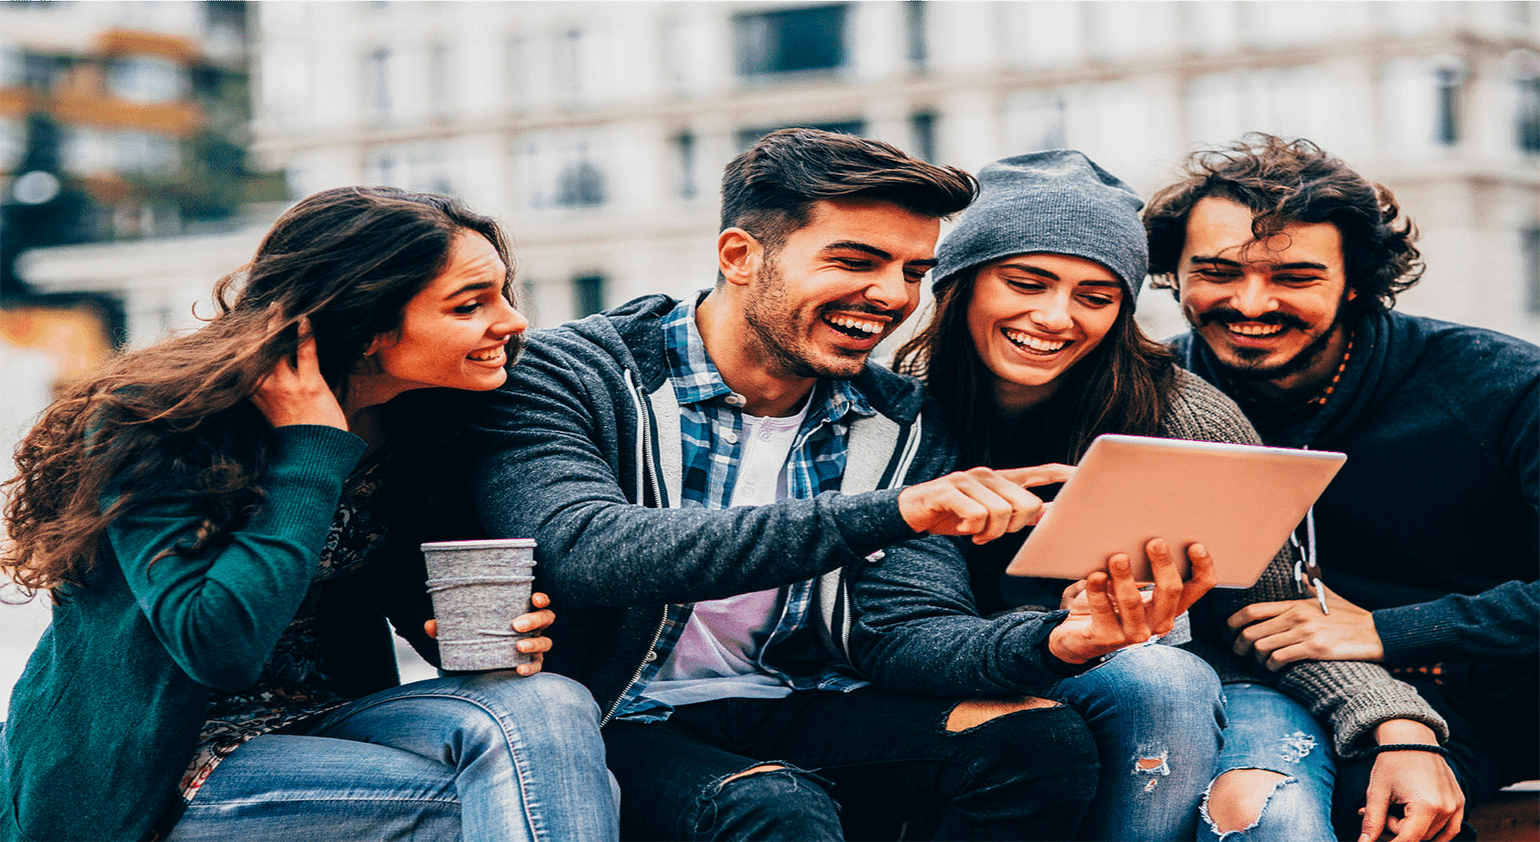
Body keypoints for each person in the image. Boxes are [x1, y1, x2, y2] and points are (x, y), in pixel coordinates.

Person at [470, 128, 1199, 842]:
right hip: (614, 716)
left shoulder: (900, 418)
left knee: (1037, 745)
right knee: (775, 809)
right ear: (739, 256)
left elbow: (903, 630)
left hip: (796, 702)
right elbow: (586, 549)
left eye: (913, 272)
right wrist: (894, 512)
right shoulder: (572, 373)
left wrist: (1060, 640)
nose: (889, 296)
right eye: (857, 261)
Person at [863, 148, 1450, 842]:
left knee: (1274, 818)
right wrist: (1063, 631)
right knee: (1155, 677)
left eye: (1096, 295)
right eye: (1026, 282)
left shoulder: (1181, 413)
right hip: (1012, 682)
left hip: (1223, 683)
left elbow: (1274, 610)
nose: (1056, 317)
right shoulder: (893, 417)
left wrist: (1401, 727)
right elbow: (903, 628)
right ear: (960, 282)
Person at [0, 187, 618, 842]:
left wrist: (436, 621)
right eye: (471, 305)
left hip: (330, 720)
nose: (513, 321)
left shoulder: (421, 415)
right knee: (538, 796)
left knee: (554, 708)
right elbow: (216, 643)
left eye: (502, 293)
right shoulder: (165, 421)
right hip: (161, 765)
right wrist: (310, 450)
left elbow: (385, 573)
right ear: (369, 322)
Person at [1144, 134, 1523, 841]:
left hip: (1510, 690)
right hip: (1304, 700)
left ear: (1355, 279)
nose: (1250, 303)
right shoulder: (1149, 401)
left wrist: (1387, 629)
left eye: (1295, 277)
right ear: (1174, 272)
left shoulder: (1499, 384)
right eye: (1218, 271)